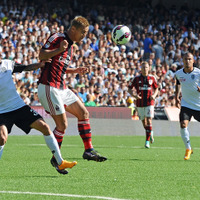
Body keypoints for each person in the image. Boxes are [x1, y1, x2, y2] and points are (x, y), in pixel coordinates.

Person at [38, 16, 107, 174]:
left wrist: (74, 71)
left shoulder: (71, 46)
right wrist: (59, 49)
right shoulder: (58, 38)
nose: (85, 35)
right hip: (49, 86)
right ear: (74, 29)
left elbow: (59, 67)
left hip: (61, 87)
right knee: (62, 125)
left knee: (83, 113)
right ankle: (57, 159)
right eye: (83, 32)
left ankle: (88, 150)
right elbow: (41, 56)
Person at [0, 54, 77, 175]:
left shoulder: (7, 64)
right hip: (2, 112)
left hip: (19, 107)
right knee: (2, 138)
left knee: (45, 127)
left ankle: (60, 161)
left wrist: (40, 64)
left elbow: (26, 67)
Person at [175, 52, 200, 160]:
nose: (187, 61)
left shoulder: (199, 73)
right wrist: (176, 96)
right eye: (185, 59)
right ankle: (188, 148)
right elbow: (178, 84)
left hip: (199, 105)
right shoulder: (178, 73)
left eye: (189, 59)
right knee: (183, 124)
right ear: (182, 60)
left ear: (193, 61)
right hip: (186, 104)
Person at [128, 61, 158, 148]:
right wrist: (134, 95)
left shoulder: (152, 78)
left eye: (146, 67)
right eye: (143, 67)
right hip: (140, 103)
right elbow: (129, 89)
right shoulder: (136, 78)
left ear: (149, 68)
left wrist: (154, 95)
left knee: (149, 120)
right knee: (144, 122)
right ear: (141, 69)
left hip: (149, 102)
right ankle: (150, 131)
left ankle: (147, 141)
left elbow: (156, 89)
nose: (145, 69)